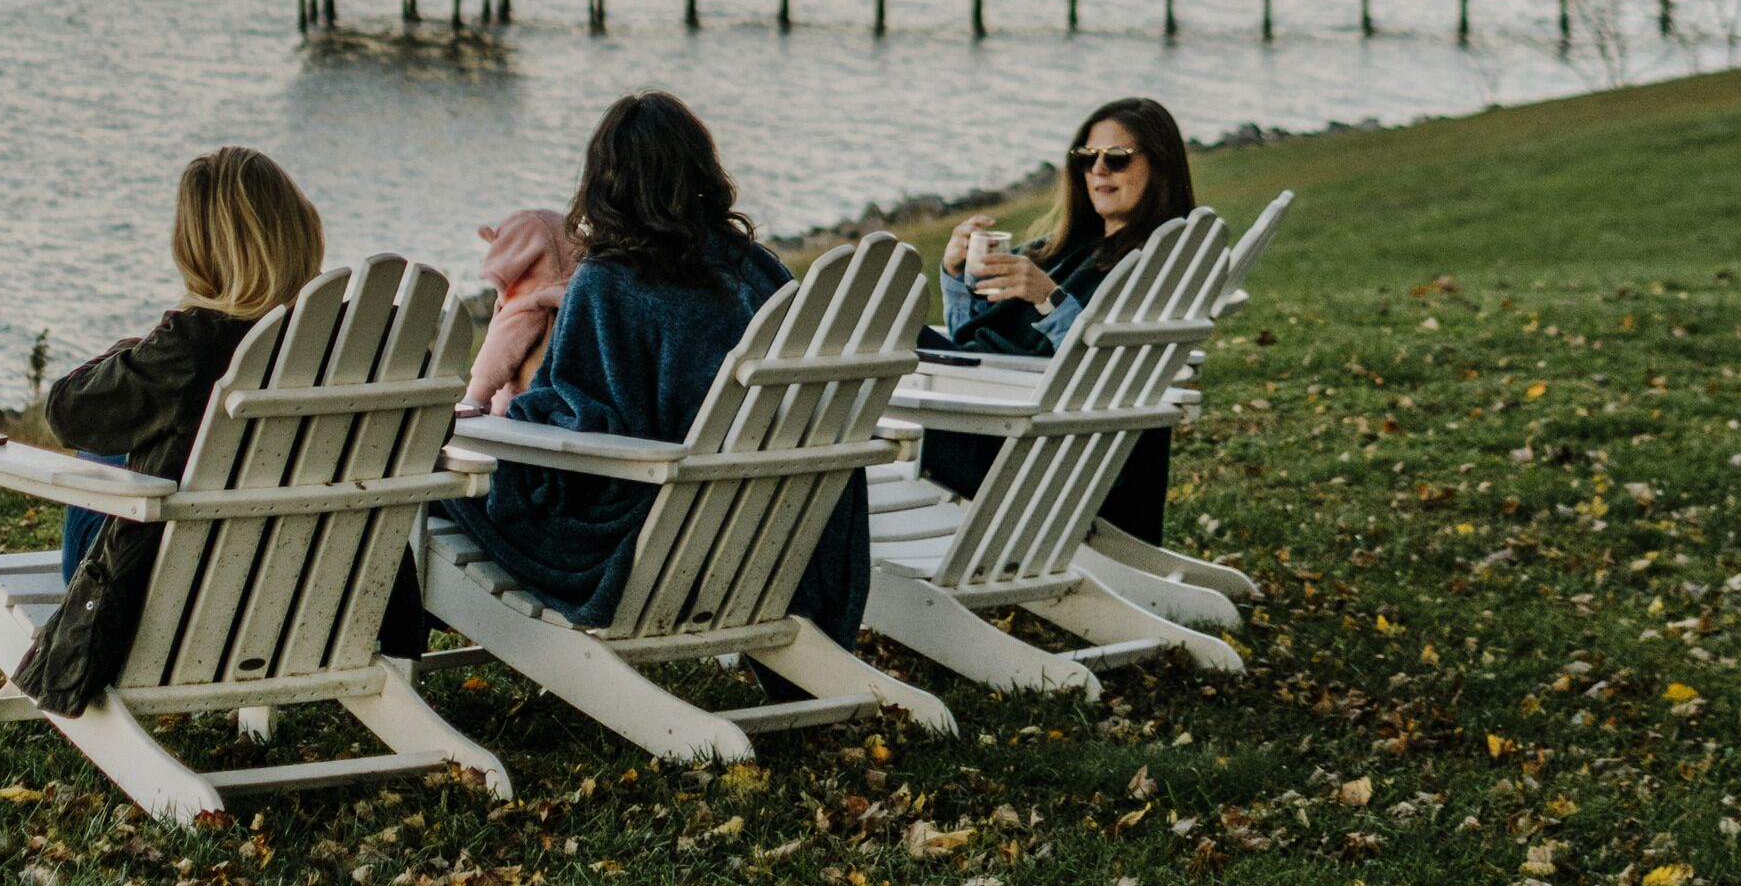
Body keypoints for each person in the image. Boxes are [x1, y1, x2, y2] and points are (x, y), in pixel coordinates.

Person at [430, 91, 871, 644]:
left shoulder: (609, 280)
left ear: (603, 184)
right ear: (702, 171)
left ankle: (398, 652)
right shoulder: (757, 268)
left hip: (643, 533)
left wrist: (490, 421)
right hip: (767, 529)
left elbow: (579, 422)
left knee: (431, 477)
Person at [16, 145, 325, 715]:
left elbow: (67, 410)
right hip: (307, 587)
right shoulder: (346, 343)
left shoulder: (193, 345)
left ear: (199, 248)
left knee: (97, 449)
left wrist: (133, 350)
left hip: (168, 593)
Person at [920, 95, 1198, 542]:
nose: (1099, 170)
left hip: (1034, 446)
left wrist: (1049, 298)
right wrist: (957, 277)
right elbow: (975, 341)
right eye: (1087, 158)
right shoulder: (1066, 250)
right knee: (890, 340)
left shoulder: (1152, 264)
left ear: (1160, 165)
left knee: (881, 348)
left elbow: (1114, 371)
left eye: (1118, 158)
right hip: (1001, 411)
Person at [459, 206, 582, 415]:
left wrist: (474, 398)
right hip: (567, 409)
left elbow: (497, 357)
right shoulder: (579, 301)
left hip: (517, 411)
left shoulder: (529, 306)